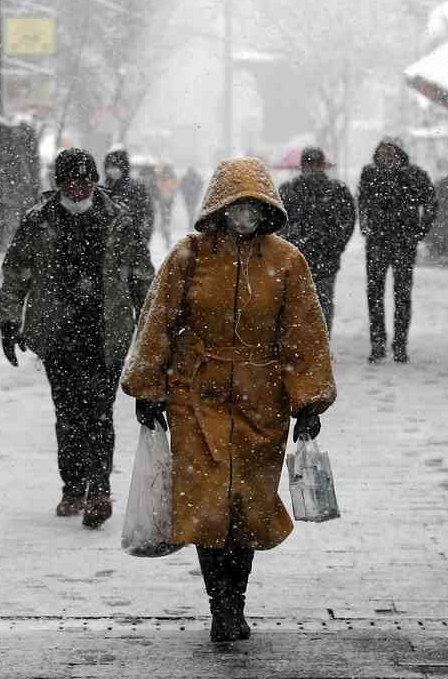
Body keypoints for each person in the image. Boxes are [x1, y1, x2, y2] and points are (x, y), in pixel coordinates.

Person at [122, 157, 336, 644]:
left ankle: (236, 596)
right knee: (206, 503)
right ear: (219, 207)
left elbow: (303, 333)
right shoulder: (188, 257)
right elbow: (157, 321)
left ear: (267, 209)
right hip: (197, 397)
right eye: (236, 205)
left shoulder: (287, 262)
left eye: (253, 206)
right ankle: (220, 604)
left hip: (262, 401)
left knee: (247, 506)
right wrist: (149, 386)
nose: (244, 215)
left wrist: (308, 402)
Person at [0, 148, 154, 529]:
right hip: (58, 333)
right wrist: (8, 320)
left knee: (100, 411)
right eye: (72, 182)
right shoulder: (38, 222)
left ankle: (99, 489)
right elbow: (16, 273)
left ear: (95, 181)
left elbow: (141, 277)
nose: (80, 190)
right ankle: (73, 486)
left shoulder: (118, 220)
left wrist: (153, 329)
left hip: (106, 331)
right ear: (59, 183)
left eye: (86, 182)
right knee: (67, 413)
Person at [357, 138, 437, 363]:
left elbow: (431, 202)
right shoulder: (370, 174)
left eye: (389, 153)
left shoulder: (413, 175)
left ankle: (399, 344)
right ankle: (378, 343)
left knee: (401, 294)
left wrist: (420, 230)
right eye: (381, 154)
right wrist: (365, 226)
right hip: (378, 241)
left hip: (402, 241)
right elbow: (362, 202)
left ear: (398, 154)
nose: (385, 158)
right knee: (375, 294)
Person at [278, 147, 358, 328]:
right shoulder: (290, 190)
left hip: (316, 257)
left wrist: (335, 245)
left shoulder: (335, 190)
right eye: (309, 163)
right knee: (305, 304)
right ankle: (310, 346)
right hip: (304, 257)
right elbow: (278, 222)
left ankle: (314, 346)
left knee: (315, 304)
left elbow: (347, 221)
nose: (312, 168)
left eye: (314, 164)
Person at [103, 148, 155, 243]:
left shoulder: (136, 188)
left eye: (116, 167)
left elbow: (147, 214)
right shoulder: (103, 189)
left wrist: (142, 238)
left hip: (132, 243)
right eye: (109, 167)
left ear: (123, 168)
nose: (112, 171)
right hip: (107, 247)